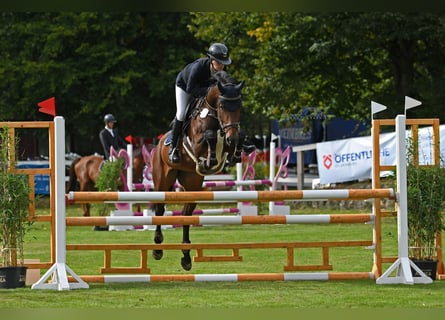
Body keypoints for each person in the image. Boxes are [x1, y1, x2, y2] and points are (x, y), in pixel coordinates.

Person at [168, 42, 232, 163]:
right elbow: (191, 89)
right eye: (218, 62)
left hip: (204, 87)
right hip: (185, 86)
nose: (221, 66)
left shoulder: (222, 68)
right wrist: (210, 91)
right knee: (181, 113)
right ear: (211, 60)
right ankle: (173, 148)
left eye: (223, 63)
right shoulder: (199, 67)